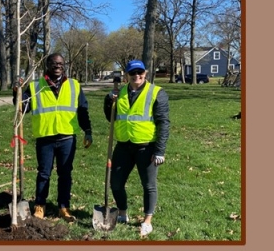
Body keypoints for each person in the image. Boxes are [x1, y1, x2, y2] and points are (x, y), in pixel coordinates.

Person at [15, 53, 92, 222]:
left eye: (61, 64)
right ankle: (40, 205)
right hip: (45, 138)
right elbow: (22, 107)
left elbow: (83, 110)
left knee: (65, 174)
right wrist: (18, 93)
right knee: (44, 173)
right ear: (47, 65)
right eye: (54, 63)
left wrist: (88, 131)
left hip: (67, 138)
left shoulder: (74, 85)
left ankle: (63, 207)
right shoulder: (35, 86)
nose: (58, 66)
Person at [103, 59, 170, 237]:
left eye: (140, 72)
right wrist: (109, 100)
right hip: (123, 145)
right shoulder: (120, 92)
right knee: (115, 183)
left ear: (145, 73)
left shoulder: (157, 93)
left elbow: (163, 123)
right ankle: (123, 213)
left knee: (148, 185)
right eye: (132, 73)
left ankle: (147, 221)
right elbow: (111, 118)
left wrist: (160, 150)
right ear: (127, 75)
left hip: (146, 146)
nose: (136, 76)